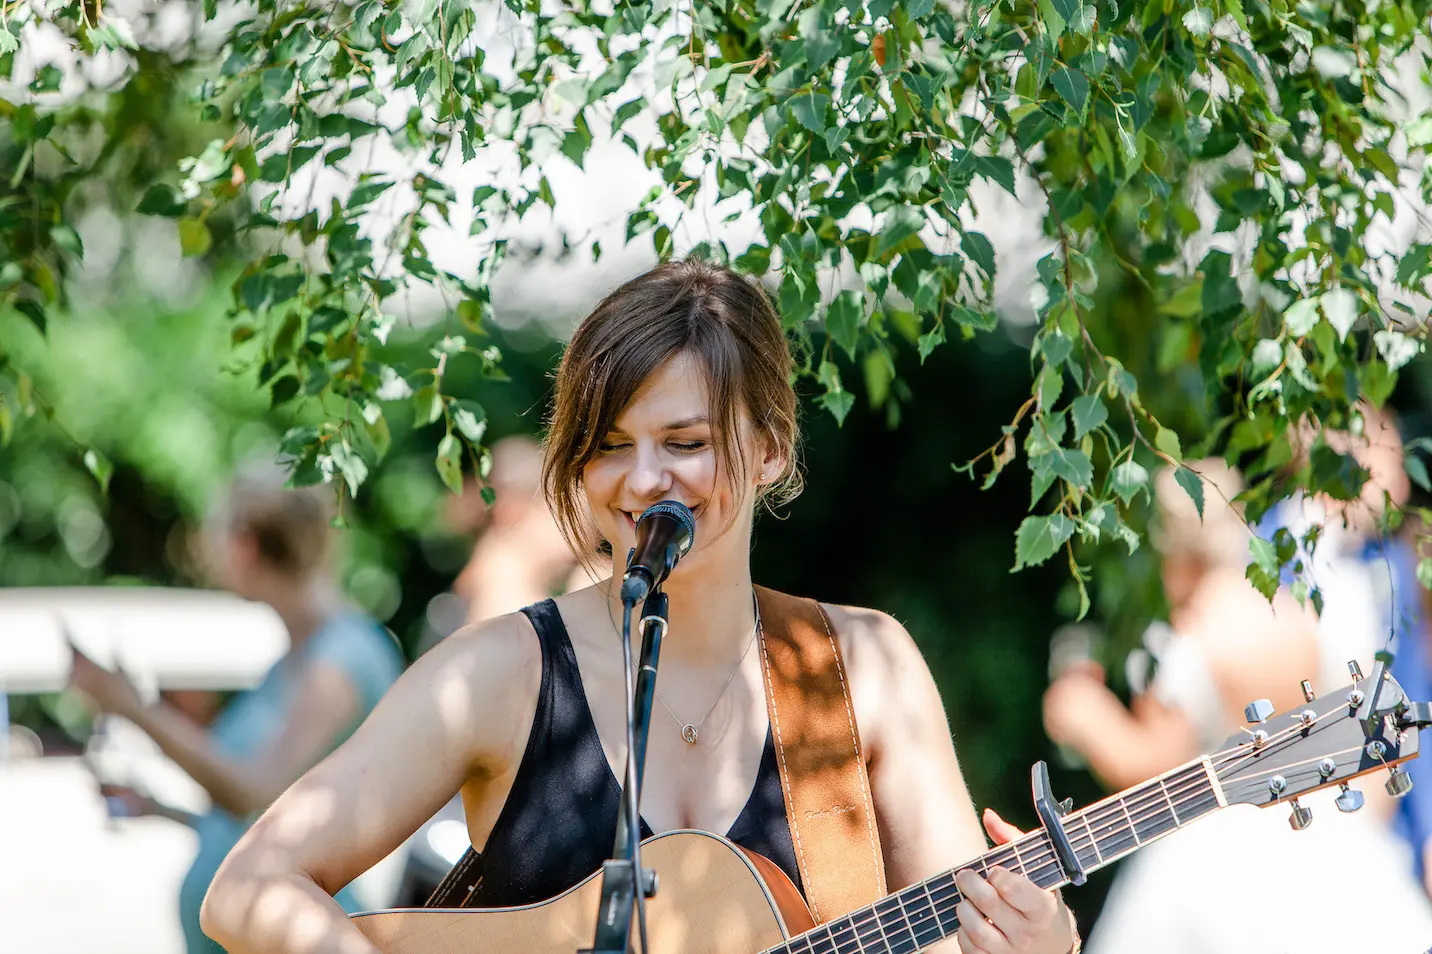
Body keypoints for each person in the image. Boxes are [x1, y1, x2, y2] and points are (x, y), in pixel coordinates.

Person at [199, 259, 1078, 954]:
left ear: (771, 448)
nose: (645, 479)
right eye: (611, 445)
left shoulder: (862, 670)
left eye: (684, 442)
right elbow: (247, 886)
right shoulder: (504, 674)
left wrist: (1035, 947)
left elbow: (957, 939)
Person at [1045, 459, 1432, 953]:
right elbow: (1370, 756)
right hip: (1335, 848)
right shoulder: (1301, 616)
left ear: (1173, 554)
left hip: (1220, 864)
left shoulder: (1187, 639)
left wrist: (1084, 716)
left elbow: (1153, 770)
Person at [67, 466, 405, 954]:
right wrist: (159, 808)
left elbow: (256, 794)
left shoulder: (343, 658)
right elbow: (264, 827)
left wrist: (132, 708)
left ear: (244, 545)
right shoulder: (296, 659)